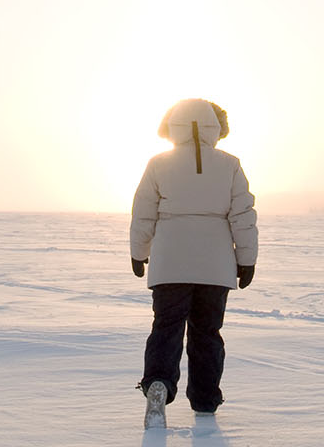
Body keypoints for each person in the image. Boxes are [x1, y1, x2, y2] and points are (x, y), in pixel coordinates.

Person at [129, 97, 258, 426]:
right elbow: (243, 216)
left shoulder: (159, 163)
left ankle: (158, 384)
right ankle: (205, 402)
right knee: (207, 333)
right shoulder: (230, 164)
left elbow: (143, 212)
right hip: (215, 267)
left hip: (169, 263)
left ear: (173, 125)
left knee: (166, 327)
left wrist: (138, 252)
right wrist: (246, 260)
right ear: (216, 127)